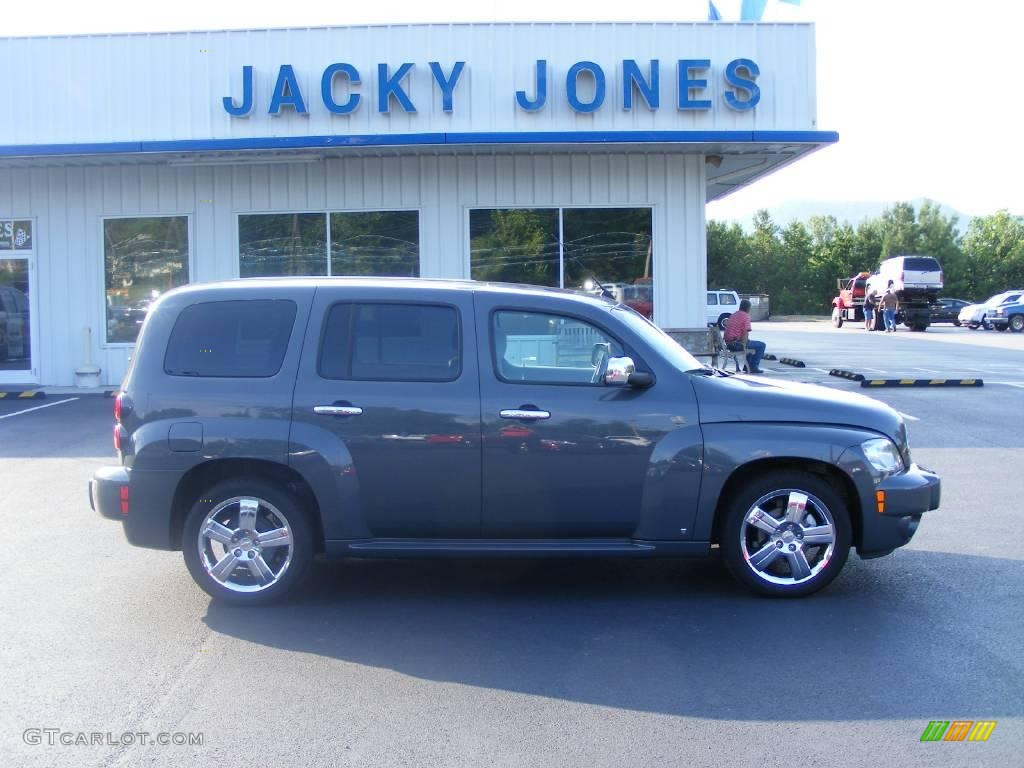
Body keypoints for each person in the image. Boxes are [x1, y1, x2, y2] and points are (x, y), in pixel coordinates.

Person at [723, 299, 766, 373]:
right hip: (736, 344)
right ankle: (753, 367)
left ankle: (747, 366)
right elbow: (746, 332)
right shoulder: (746, 316)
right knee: (761, 345)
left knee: (749, 343)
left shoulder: (734, 314)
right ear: (748, 308)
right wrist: (744, 345)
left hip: (728, 344)